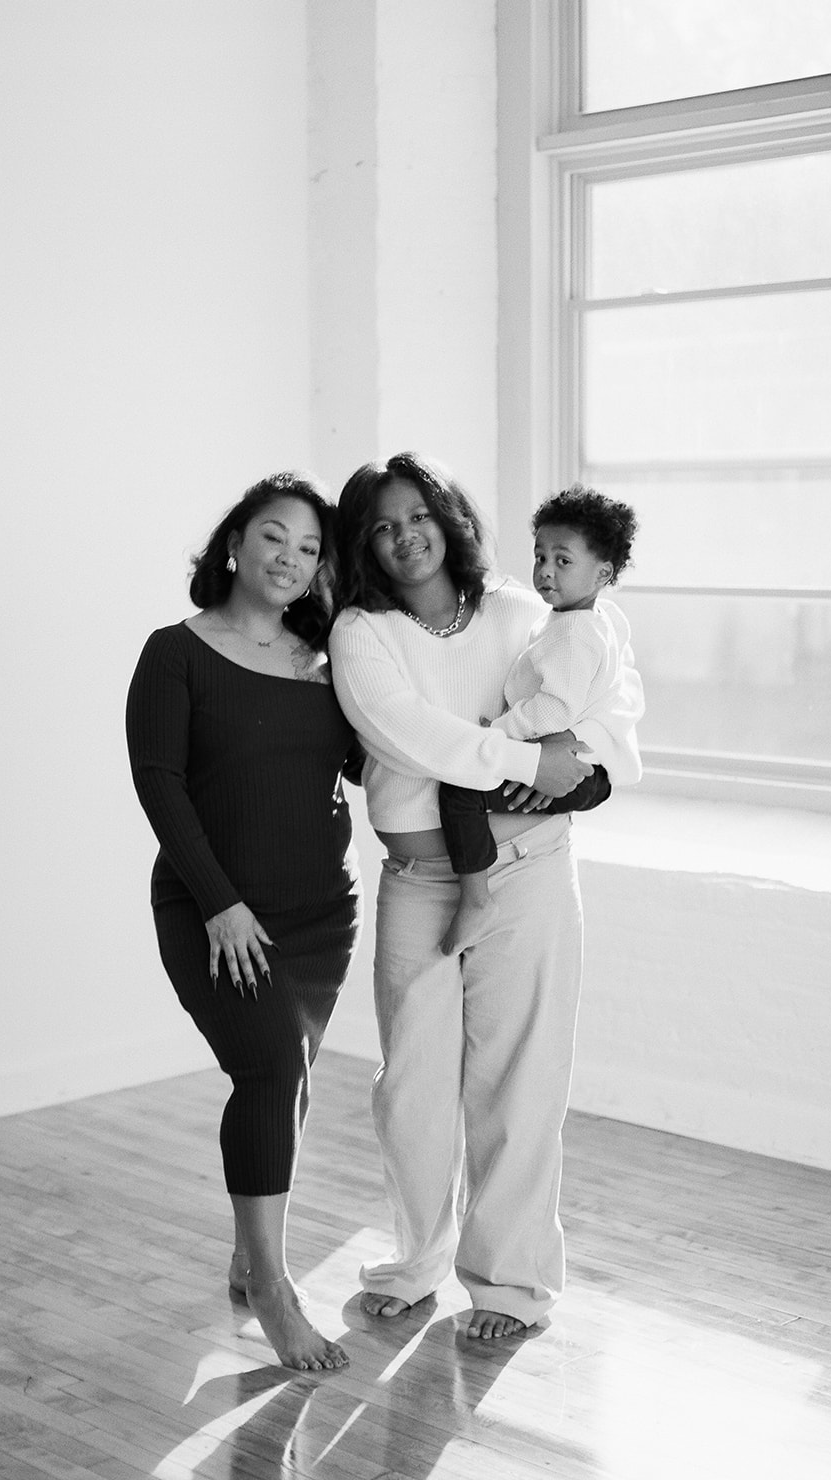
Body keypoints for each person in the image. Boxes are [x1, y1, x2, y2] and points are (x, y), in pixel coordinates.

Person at [328, 452, 610, 1342]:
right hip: (420, 881)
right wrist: (533, 760)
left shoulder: (521, 613)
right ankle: (416, 1262)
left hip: (528, 870)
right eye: (380, 524)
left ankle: (511, 1287)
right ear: (364, 543)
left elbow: (600, 686)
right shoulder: (361, 634)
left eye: (416, 514)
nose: (403, 534)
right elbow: (419, 742)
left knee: (519, 1081)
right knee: (410, 1084)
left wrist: (582, 767)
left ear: (447, 517)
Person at [126, 471, 361, 1372]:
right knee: (268, 1070)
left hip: (320, 915)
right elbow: (160, 783)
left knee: (291, 1076)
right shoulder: (175, 652)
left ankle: (247, 1251)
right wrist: (221, 901)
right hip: (215, 910)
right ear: (235, 541)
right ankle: (273, 1286)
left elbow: (372, 767)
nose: (291, 560)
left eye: (310, 549)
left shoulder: (328, 656)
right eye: (276, 537)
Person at [438, 485, 643, 954]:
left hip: (576, 773)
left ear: (602, 573)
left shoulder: (576, 633)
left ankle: (475, 899)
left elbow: (556, 709)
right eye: (540, 556)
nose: (545, 570)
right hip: (580, 768)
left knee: (458, 789)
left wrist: (497, 734)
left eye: (563, 560)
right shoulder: (587, 619)